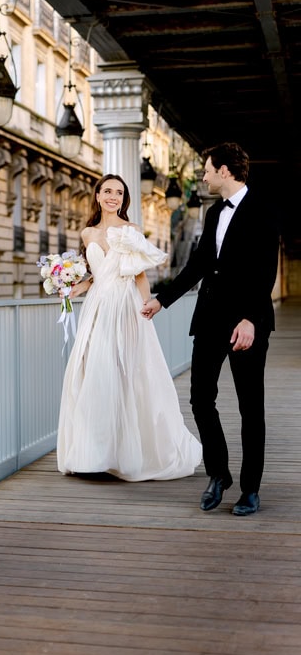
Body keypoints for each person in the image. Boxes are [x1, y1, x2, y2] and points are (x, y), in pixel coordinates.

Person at [141, 142, 280, 516]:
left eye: (206, 170)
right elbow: (199, 263)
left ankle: (250, 490)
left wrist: (251, 319)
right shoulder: (214, 212)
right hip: (210, 320)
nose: (202, 176)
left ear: (224, 170)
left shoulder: (263, 208)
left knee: (251, 408)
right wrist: (162, 299)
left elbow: (267, 269)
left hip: (246, 324)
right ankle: (219, 474)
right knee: (200, 398)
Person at [56, 173, 202, 481]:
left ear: (124, 200)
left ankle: (124, 454)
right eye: (107, 191)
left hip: (125, 307)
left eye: (119, 193)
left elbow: (138, 275)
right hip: (97, 308)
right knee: (94, 372)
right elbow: (98, 273)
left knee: (126, 373)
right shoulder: (87, 234)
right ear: (97, 196)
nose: (113, 196)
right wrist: (74, 289)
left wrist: (147, 305)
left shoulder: (131, 231)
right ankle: (92, 456)